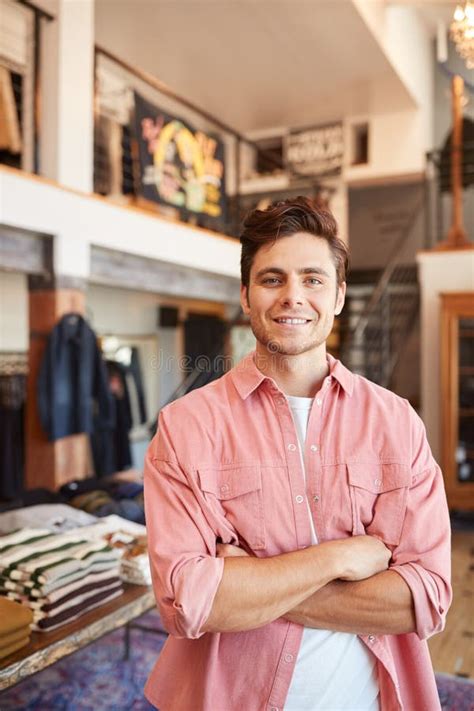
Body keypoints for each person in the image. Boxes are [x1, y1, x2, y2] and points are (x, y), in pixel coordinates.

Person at [144, 197, 452, 711]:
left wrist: (249, 585)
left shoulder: (396, 422)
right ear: (245, 295)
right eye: (272, 279)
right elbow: (188, 604)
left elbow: (424, 598)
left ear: (338, 297)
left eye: (313, 279)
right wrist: (342, 556)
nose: (293, 297)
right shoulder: (185, 428)